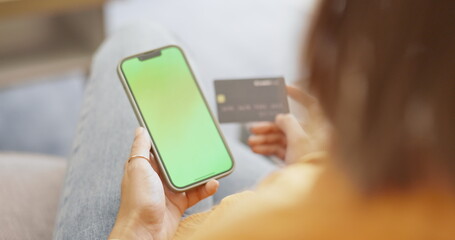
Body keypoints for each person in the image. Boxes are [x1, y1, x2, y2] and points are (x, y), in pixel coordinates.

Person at [55, 0, 455, 239]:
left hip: (174, 225)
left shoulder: (267, 226)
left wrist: (135, 228)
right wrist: (315, 165)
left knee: (139, 36)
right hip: (303, 189)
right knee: (218, 130)